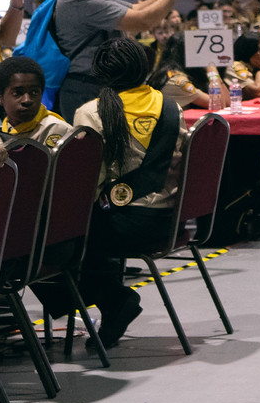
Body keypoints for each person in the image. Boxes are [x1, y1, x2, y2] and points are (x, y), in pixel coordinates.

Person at [48, 38, 185, 349]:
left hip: (121, 225)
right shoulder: (170, 106)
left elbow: (87, 186)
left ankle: (114, 298)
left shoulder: (91, 112)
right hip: (168, 221)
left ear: (100, 73)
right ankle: (111, 303)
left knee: (46, 243)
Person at [49, 0, 198, 117]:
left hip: (94, 85)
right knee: (93, 146)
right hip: (85, 88)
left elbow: (137, 9)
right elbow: (141, 22)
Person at [0, 56, 73, 148]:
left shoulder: (56, 129)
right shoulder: (0, 133)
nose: (27, 100)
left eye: (34, 92)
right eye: (18, 93)